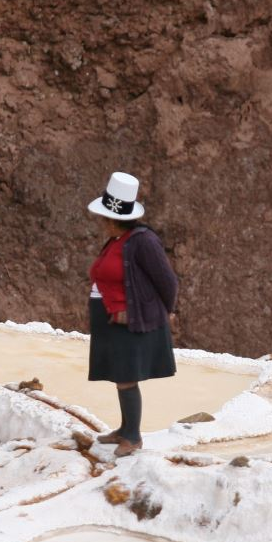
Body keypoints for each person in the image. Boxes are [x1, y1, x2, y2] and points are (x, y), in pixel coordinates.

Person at [86, 170, 180, 456]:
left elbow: (167, 280)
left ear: (114, 218)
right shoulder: (118, 240)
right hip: (112, 319)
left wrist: (167, 311)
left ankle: (133, 437)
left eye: (104, 218)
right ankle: (124, 429)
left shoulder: (142, 241)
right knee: (119, 374)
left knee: (126, 376)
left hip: (130, 320)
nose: (101, 223)